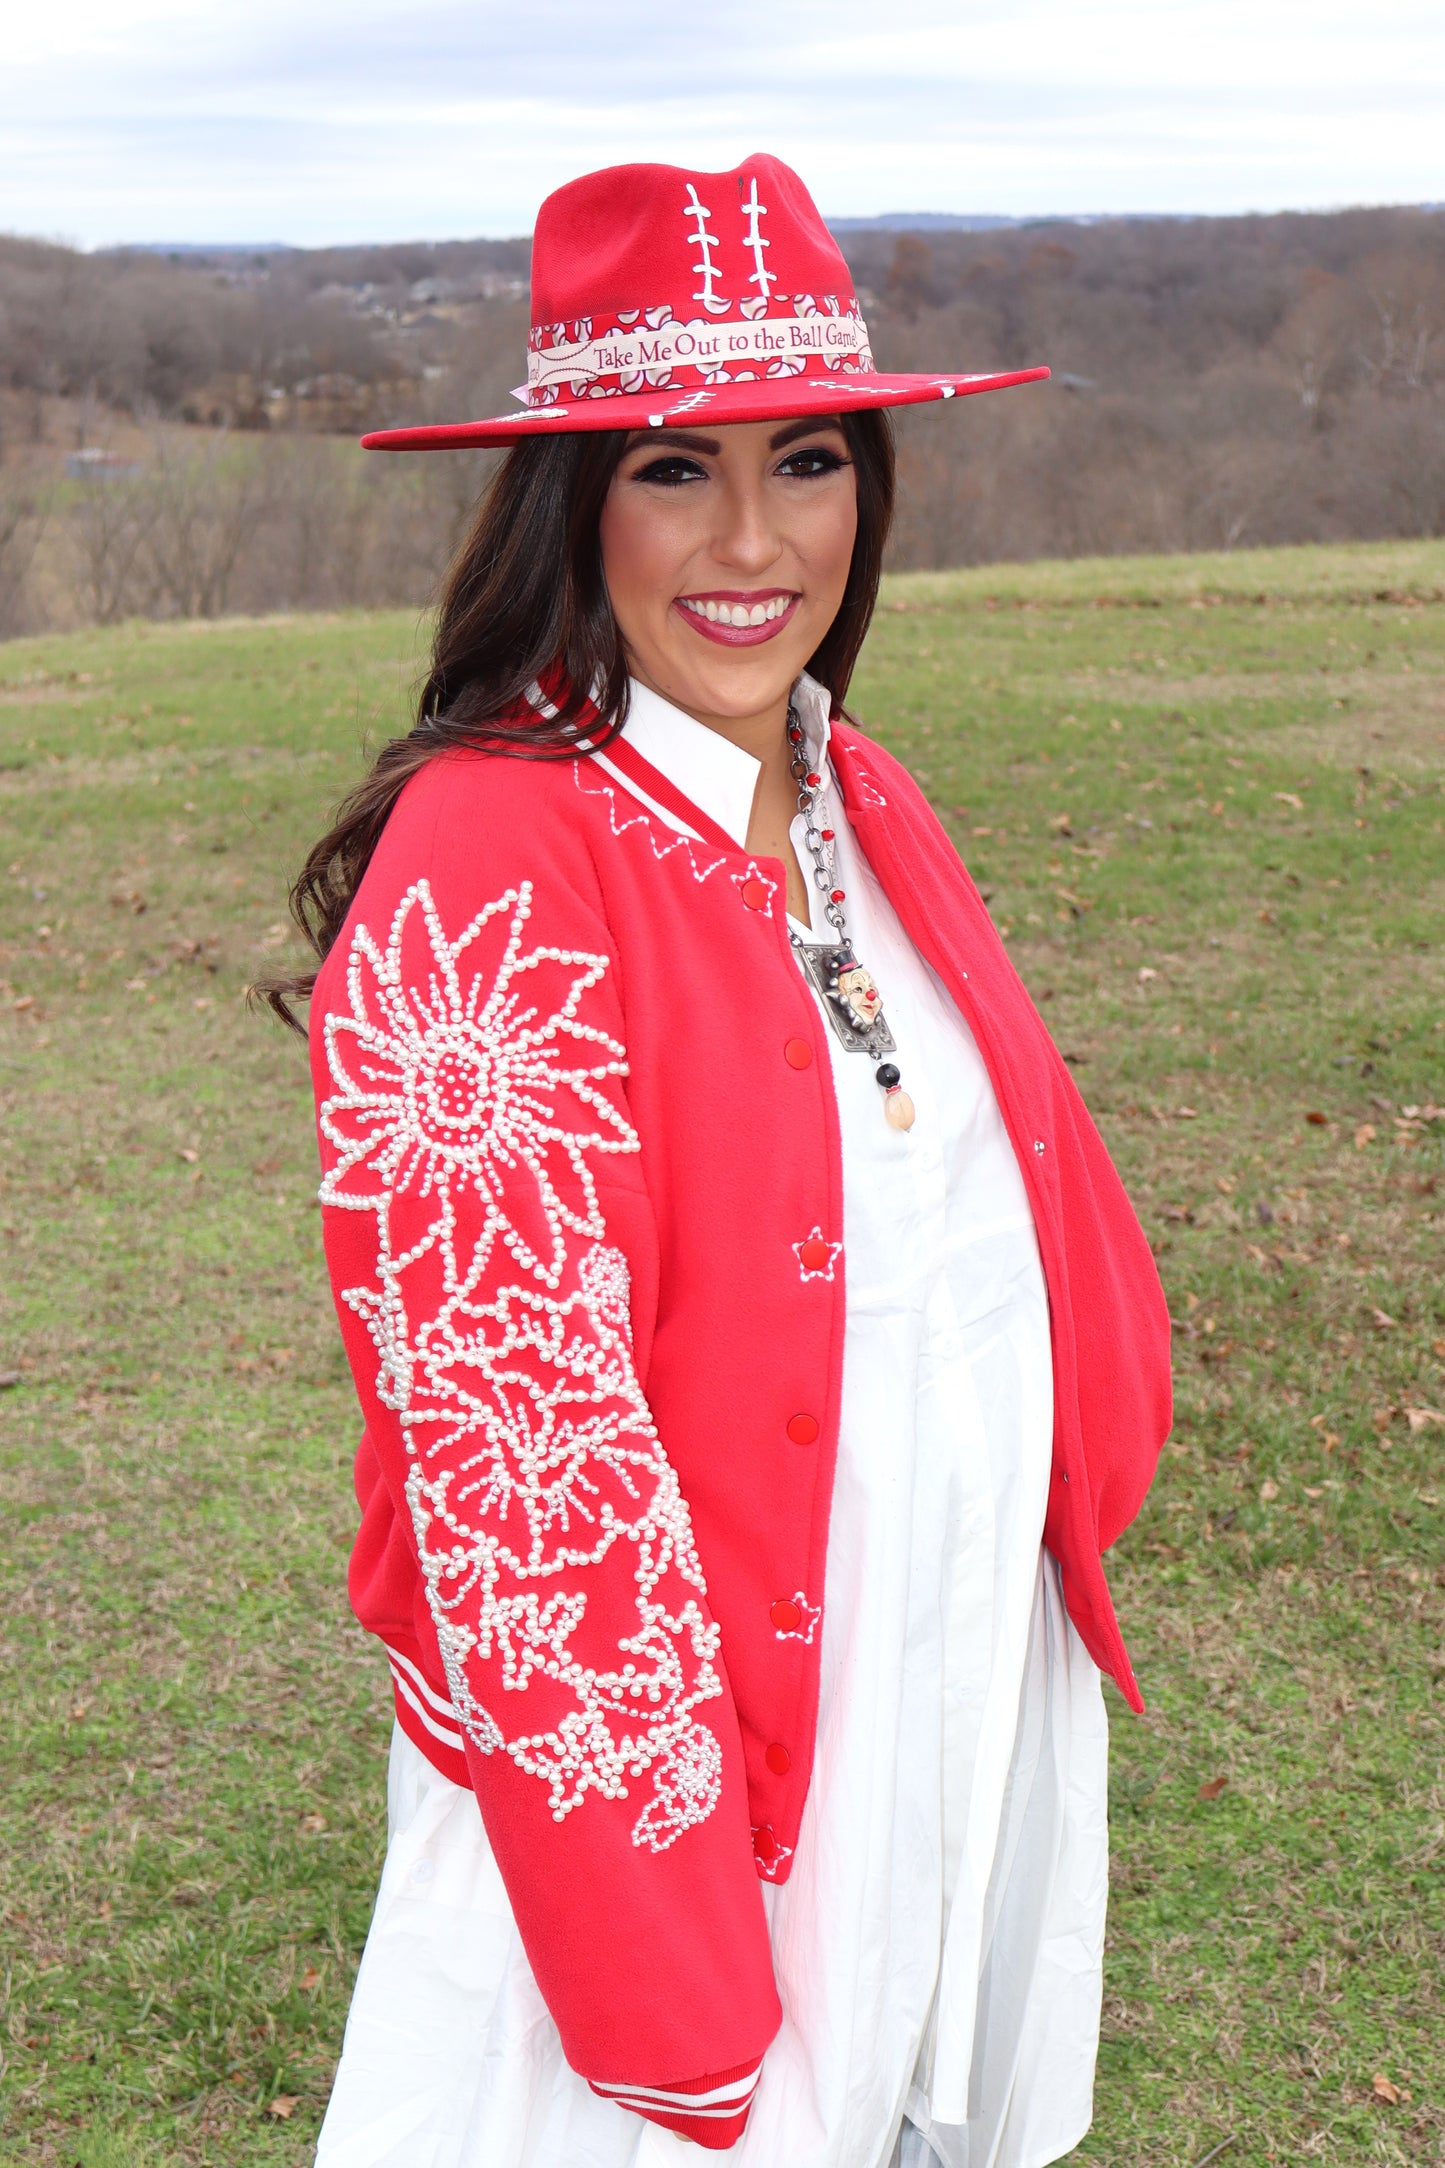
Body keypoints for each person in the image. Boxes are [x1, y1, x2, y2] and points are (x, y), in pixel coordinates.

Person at [261, 153, 1171, 2168]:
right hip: (671, 1818)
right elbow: (524, 1492)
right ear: (571, 498)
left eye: (813, 461)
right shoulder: (496, 864)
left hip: (931, 1697)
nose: (756, 540)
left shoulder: (858, 792)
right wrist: (676, 2002)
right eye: (677, 466)